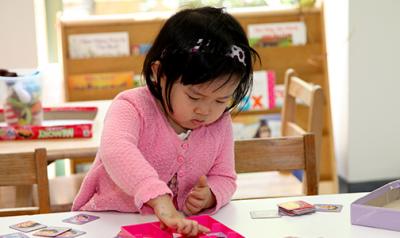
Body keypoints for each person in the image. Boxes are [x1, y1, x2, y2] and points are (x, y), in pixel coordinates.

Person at [72, 6, 258, 236]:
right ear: (159, 74)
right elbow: (116, 150)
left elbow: (225, 177)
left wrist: (209, 194)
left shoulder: (220, 122)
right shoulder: (131, 106)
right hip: (107, 221)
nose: (206, 110)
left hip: (175, 228)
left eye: (220, 100)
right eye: (194, 96)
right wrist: (159, 199)